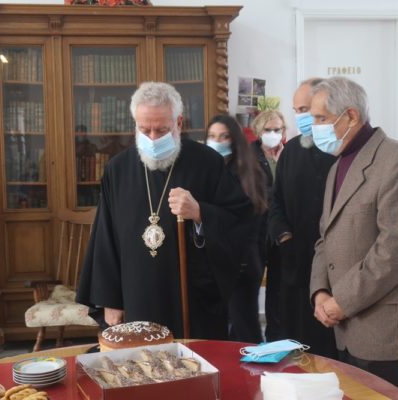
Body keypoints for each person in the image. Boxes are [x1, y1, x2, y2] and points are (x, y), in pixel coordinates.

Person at [76, 82, 252, 340]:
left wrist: (200, 213)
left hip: (192, 300)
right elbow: (105, 239)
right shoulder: (118, 170)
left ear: (178, 122)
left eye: (161, 130)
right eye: (144, 129)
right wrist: (110, 300)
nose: (153, 138)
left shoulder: (207, 163)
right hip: (136, 296)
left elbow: (240, 221)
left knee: (192, 361)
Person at [309, 76, 398, 387]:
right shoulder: (338, 165)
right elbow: (325, 236)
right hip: (346, 324)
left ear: (351, 116)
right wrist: (320, 292)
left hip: (386, 329)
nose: (314, 127)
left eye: (321, 118)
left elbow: (396, 250)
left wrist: (342, 301)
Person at [267, 79, 337, 358]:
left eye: (306, 110)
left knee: (329, 349)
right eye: (296, 110)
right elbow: (275, 201)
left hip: (333, 268)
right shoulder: (292, 151)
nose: (301, 117)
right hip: (294, 262)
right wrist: (284, 236)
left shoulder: (340, 150)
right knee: (295, 346)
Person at [206, 114, 267, 343]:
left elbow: (247, 224)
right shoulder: (208, 170)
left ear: (235, 140)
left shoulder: (248, 172)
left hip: (241, 263)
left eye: (224, 136)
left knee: (245, 329)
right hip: (214, 264)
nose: (217, 142)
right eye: (212, 136)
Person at [250, 110, 287, 341]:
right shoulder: (248, 156)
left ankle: (276, 339)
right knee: (249, 289)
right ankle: (249, 340)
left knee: (279, 290)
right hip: (255, 232)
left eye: (277, 129)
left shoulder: (289, 155)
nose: (273, 134)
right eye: (268, 129)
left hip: (280, 232)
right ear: (258, 131)